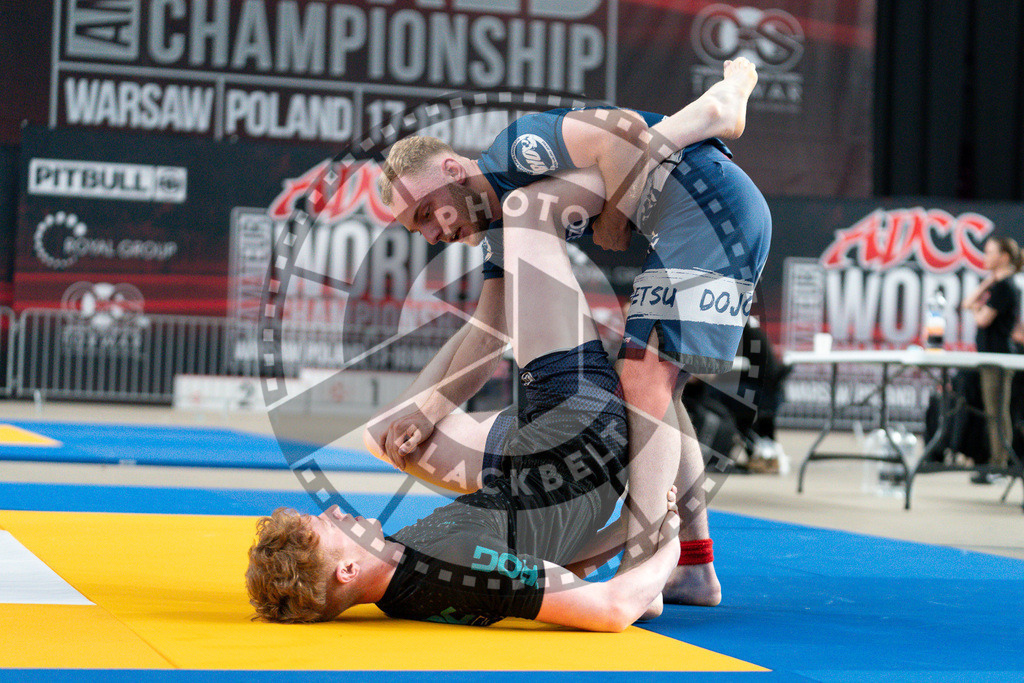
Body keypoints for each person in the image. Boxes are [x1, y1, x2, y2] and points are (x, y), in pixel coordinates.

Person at [372, 58, 770, 608]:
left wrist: (613, 218)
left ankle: (642, 563)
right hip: (696, 215)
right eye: (418, 227)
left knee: (646, 383)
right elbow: (488, 332)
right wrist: (425, 409)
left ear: (451, 171)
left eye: (427, 212)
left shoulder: (518, 150)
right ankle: (693, 569)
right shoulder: (501, 228)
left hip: (710, 206)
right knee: (660, 392)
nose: (434, 232)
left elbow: (624, 134)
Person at [247, 174, 682, 630]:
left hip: (538, 458)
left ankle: (487, 318)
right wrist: (663, 538)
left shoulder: (400, 593)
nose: (334, 510)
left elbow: (558, 572)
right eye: (326, 525)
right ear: (347, 570)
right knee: (526, 211)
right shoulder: (456, 562)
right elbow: (612, 609)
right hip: (578, 428)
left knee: (383, 435)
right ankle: (499, 292)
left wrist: (625, 528)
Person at [961, 236, 1023, 483]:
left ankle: (1000, 464)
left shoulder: (1006, 287)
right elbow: (967, 303)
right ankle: (997, 462)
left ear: (1004, 257)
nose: (985, 257)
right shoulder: (997, 285)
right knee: (993, 411)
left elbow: (981, 318)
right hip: (990, 357)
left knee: (997, 412)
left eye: (990, 253)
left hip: (999, 359)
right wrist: (987, 281)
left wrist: (977, 307)